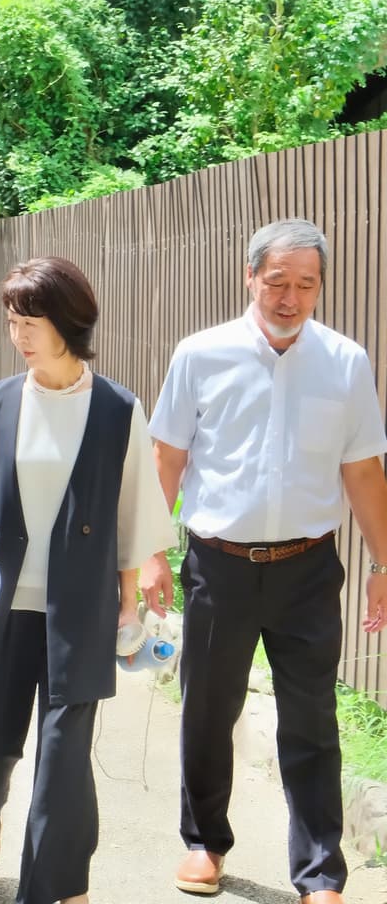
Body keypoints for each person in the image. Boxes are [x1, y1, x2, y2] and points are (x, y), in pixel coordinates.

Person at [0, 256, 176, 904]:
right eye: (12, 321)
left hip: (77, 610)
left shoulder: (116, 409)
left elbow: (131, 514)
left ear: (67, 322)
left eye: (31, 321)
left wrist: (130, 600)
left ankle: (60, 885)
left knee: (63, 758)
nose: (19, 335)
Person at [147, 219, 387, 904]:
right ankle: (204, 843)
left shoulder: (345, 362)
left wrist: (383, 565)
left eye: (305, 284)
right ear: (250, 277)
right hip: (218, 563)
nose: (290, 297)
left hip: (307, 568)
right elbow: (168, 457)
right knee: (208, 708)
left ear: (321, 287)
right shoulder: (201, 354)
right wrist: (150, 552)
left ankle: (320, 872)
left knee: (312, 718)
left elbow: (363, 471)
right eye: (277, 281)